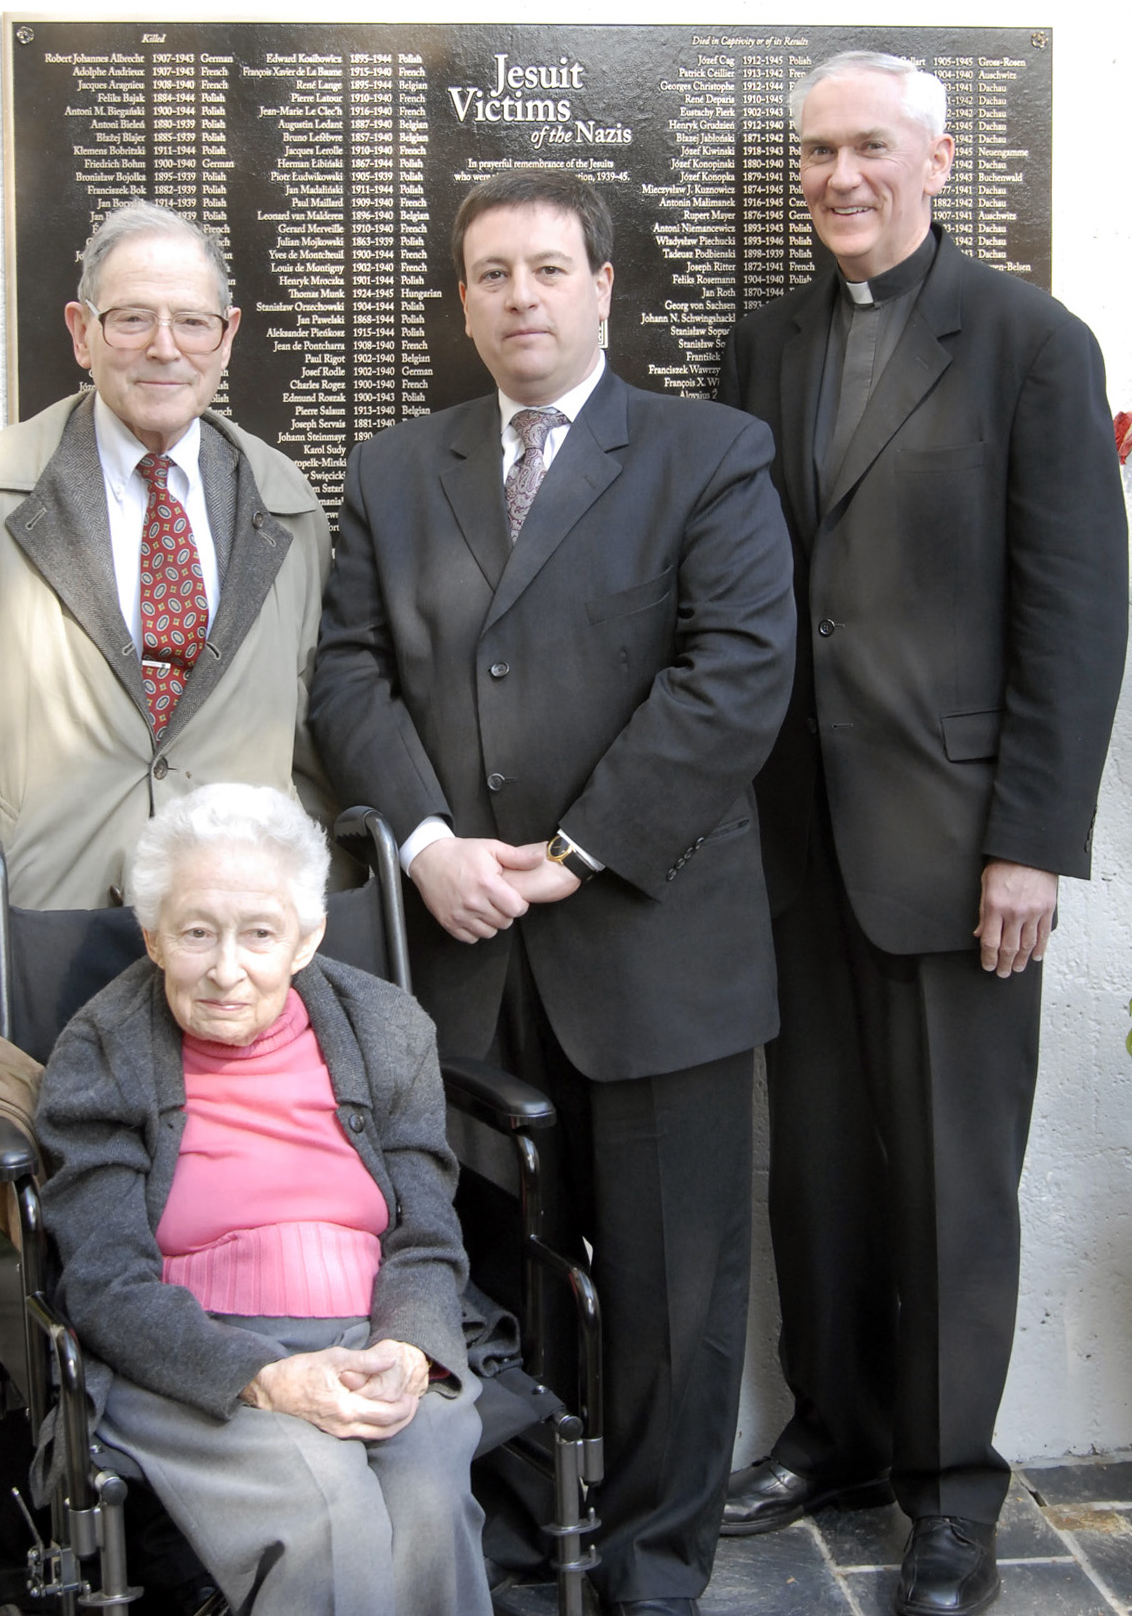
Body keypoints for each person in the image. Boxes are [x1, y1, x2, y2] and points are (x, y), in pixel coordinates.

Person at [309, 169, 795, 1615]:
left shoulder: (711, 453)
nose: (520, 296)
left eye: (546, 268)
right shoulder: (398, 472)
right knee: (483, 1291)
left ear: (603, 286)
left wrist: (578, 848)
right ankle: (521, 1554)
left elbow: (738, 672)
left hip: (654, 951)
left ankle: (649, 1572)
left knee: (670, 1306)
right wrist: (427, 842)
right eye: (491, 275)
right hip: (457, 967)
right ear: (462, 303)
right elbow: (345, 670)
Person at [0, 199, 332, 1596]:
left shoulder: (287, 500)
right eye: (130, 315)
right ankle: (27, 1553)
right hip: (34, 939)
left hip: (220, 955)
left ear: (231, 336)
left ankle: (189, 1543)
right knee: (13, 1246)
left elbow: (306, 732)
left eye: (192, 318)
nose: (162, 343)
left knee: (199, 1225)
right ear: (79, 330)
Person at [716, 51, 1128, 1616]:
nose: (838, 177)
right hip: (791, 845)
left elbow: (1075, 612)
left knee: (956, 1181)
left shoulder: (1030, 342)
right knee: (812, 1169)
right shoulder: (765, 344)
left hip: (964, 856)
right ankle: (832, 1432)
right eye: (816, 152)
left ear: (938, 158)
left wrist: (1030, 838)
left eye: (868, 148)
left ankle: (951, 1491)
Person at [33, 782, 491, 1616]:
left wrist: (411, 1347)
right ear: (153, 937)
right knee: (329, 1510)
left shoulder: (387, 1028)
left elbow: (426, 1230)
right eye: (196, 932)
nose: (226, 968)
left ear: (307, 939)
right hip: (194, 1356)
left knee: (426, 1491)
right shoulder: (103, 1048)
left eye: (259, 934)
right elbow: (103, 1282)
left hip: (371, 1332)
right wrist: (265, 1377)